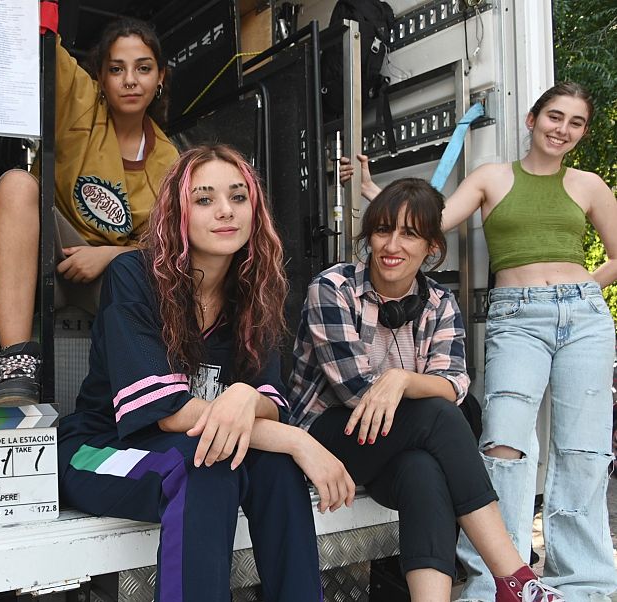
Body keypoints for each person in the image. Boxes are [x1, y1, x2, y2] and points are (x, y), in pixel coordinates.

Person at [354, 82, 617, 601]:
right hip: (517, 317)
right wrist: (370, 193)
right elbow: (429, 223)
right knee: (503, 443)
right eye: (554, 117)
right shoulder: (493, 178)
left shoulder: (589, 185)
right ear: (531, 119)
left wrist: (585, 287)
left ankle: (585, 582)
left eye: (575, 123)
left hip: (583, 318)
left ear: (582, 133)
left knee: (584, 450)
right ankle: (501, 575)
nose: (562, 130)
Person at [58, 144, 357, 601]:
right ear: (177, 213)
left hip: (186, 447)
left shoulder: (254, 290)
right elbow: (169, 413)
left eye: (238, 198)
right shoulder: (134, 275)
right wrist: (300, 441)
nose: (225, 211)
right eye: (204, 199)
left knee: (272, 466)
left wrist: (244, 397)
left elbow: (271, 401)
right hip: (100, 449)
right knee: (204, 466)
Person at [288, 178, 564, 602]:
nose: (391, 245)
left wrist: (403, 379)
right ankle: (516, 579)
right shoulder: (332, 289)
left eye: (409, 233)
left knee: (424, 470)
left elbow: (453, 382)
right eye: (383, 230)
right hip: (329, 438)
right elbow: (356, 394)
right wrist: (416, 387)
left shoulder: (439, 302)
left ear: (431, 247)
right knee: (440, 416)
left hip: (395, 443)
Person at [0, 17, 179, 405]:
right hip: (44, 251)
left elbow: (172, 246)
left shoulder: (171, 160)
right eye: (116, 69)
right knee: (16, 185)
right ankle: (15, 365)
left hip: (108, 278)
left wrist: (107, 255)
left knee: (152, 268)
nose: (129, 80)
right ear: (101, 78)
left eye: (143, 68)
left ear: (160, 78)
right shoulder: (82, 104)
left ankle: (145, 389)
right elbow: (42, 35)